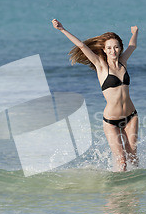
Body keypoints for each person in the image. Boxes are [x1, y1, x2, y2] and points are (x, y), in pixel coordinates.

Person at [52, 19, 139, 172]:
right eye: (110, 48)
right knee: (122, 162)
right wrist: (62, 29)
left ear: (120, 48)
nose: (113, 51)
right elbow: (81, 46)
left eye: (116, 47)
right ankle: (118, 194)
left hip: (131, 117)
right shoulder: (100, 66)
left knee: (133, 157)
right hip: (111, 121)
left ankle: (135, 192)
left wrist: (135, 32)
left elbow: (133, 46)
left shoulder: (123, 62)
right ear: (104, 50)